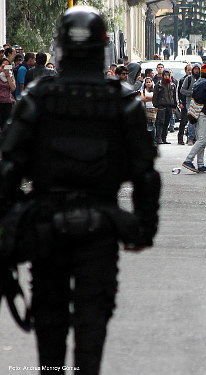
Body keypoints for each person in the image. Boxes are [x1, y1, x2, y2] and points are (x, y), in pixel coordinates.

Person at [0, 6, 160, 374]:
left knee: (50, 321)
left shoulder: (38, 99)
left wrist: (11, 223)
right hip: (100, 226)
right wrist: (142, 229)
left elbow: (8, 169)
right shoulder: (123, 101)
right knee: (92, 320)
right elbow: (144, 174)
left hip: (45, 224)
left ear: (61, 47)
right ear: (103, 46)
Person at [182, 64, 206, 173]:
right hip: (203, 113)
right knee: (202, 139)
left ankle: (201, 164)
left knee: (202, 139)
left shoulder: (197, 82)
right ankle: (188, 160)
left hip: (195, 113)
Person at [152, 69, 178, 144]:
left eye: (168, 75)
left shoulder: (173, 85)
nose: (166, 77)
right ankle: (158, 138)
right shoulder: (159, 84)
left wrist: (174, 106)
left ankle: (164, 138)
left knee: (167, 123)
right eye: (165, 75)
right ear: (163, 76)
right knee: (160, 122)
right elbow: (155, 96)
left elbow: (174, 96)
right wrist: (156, 105)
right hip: (161, 106)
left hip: (170, 106)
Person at [0, 58, 16, 132]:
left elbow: (13, 88)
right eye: (4, 66)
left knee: (5, 126)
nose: (5, 68)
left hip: (7, 102)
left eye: (7, 66)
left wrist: (7, 76)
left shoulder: (10, 75)